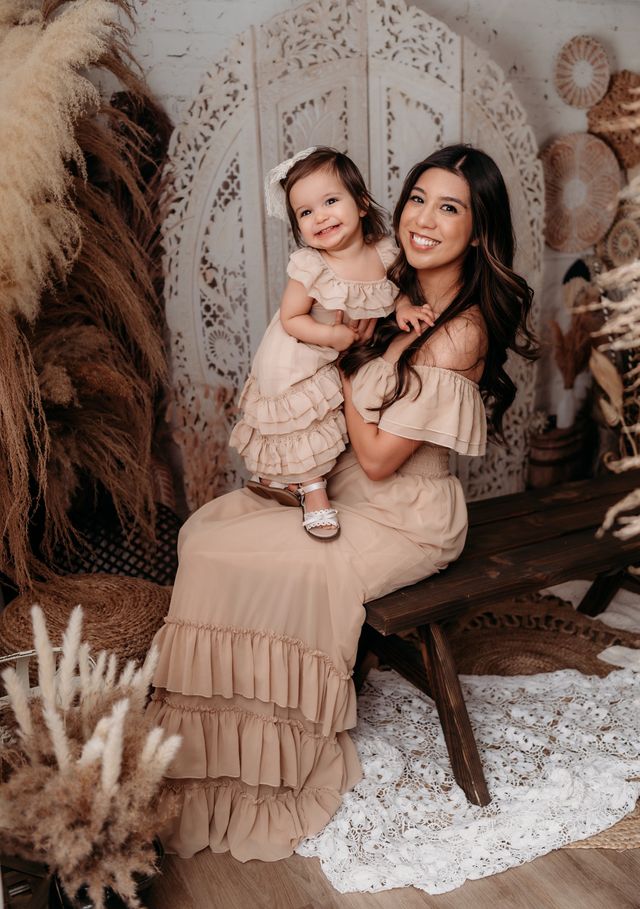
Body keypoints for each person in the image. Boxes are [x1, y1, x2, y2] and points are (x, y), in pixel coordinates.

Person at [147, 144, 538, 863]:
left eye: (448, 206)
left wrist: (357, 358)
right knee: (208, 530)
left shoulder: (460, 330)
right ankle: (202, 742)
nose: (423, 218)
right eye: (417, 197)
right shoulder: (395, 284)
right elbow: (320, 322)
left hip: (407, 511)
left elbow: (383, 459)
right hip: (349, 488)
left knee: (247, 555)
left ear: (478, 230)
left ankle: (265, 762)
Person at [229, 146, 432, 540]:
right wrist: (332, 335)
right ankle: (312, 490)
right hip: (297, 353)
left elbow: (398, 288)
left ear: (360, 204)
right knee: (301, 419)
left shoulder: (384, 251)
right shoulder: (311, 265)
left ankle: (283, 481)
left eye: (330, 201)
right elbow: (292, 319)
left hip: (336, 354)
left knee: (328, 419)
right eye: (305, 212)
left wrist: (405, 305)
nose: (319, 216)